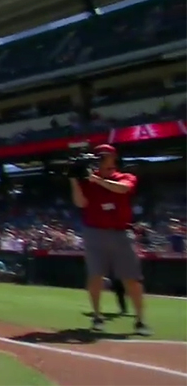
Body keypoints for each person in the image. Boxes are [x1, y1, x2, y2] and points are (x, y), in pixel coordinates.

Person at [70, 144, 151, 335]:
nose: (108, 162)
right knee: (95, 276)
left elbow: (122, 189)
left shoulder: (124, 177)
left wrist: (95, 179)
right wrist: (73, 179)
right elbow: (80, 203)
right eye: (102, 158)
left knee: (132, 278)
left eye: (109, 157)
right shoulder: (87, 182)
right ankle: (97, 317)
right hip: (94, 232)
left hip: (121, 232)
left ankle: (140, 320)